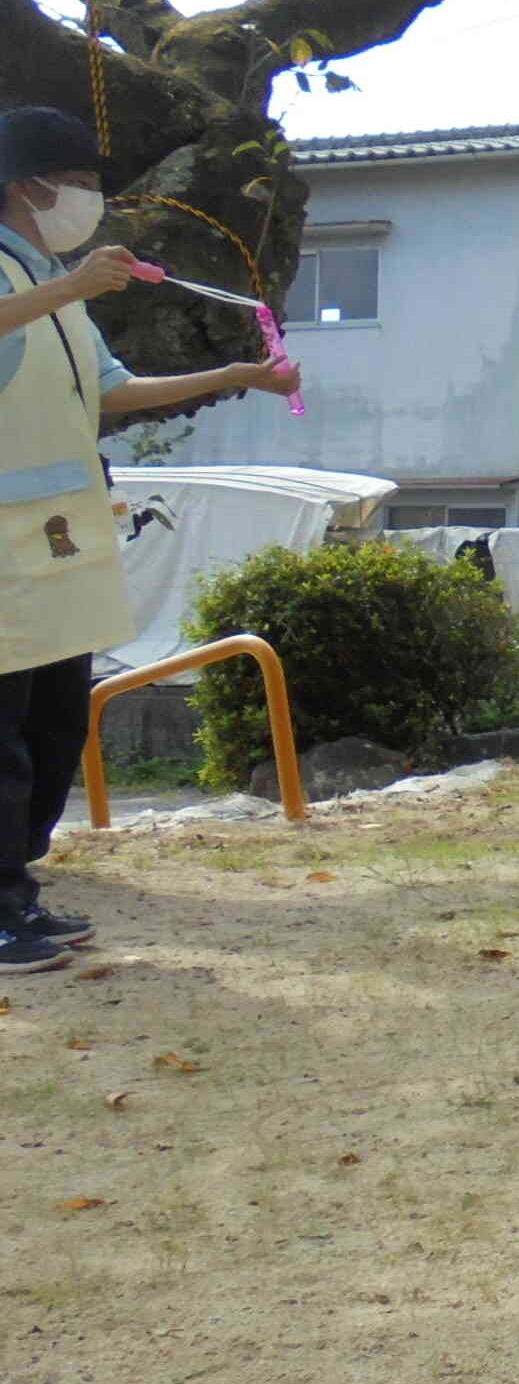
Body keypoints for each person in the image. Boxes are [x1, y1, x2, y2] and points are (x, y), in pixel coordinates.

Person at [0, 106, 302, 974]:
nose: (91, 200)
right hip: (5, 542)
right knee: (3, 725)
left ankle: (14, 887)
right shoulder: (42, 284)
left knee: (56, 719)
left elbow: (116, 391)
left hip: (57, 536)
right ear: (29, 184)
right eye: (83, 184)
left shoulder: (56, 285)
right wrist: (69, 288)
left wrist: (244, 375)